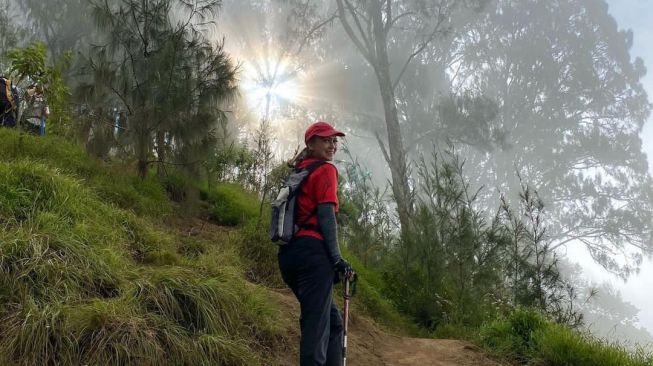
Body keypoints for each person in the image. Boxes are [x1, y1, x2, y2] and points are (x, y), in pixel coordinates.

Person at [278, 121, 354, 366]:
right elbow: (326, 216)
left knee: (332, 323)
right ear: (311, 144)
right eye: (325, 140)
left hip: (289, 256)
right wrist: (337, 260)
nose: (332, 145)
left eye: (334, 141)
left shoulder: (300, 170)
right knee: (316, 327)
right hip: (313, 256)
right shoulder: (325, 170)